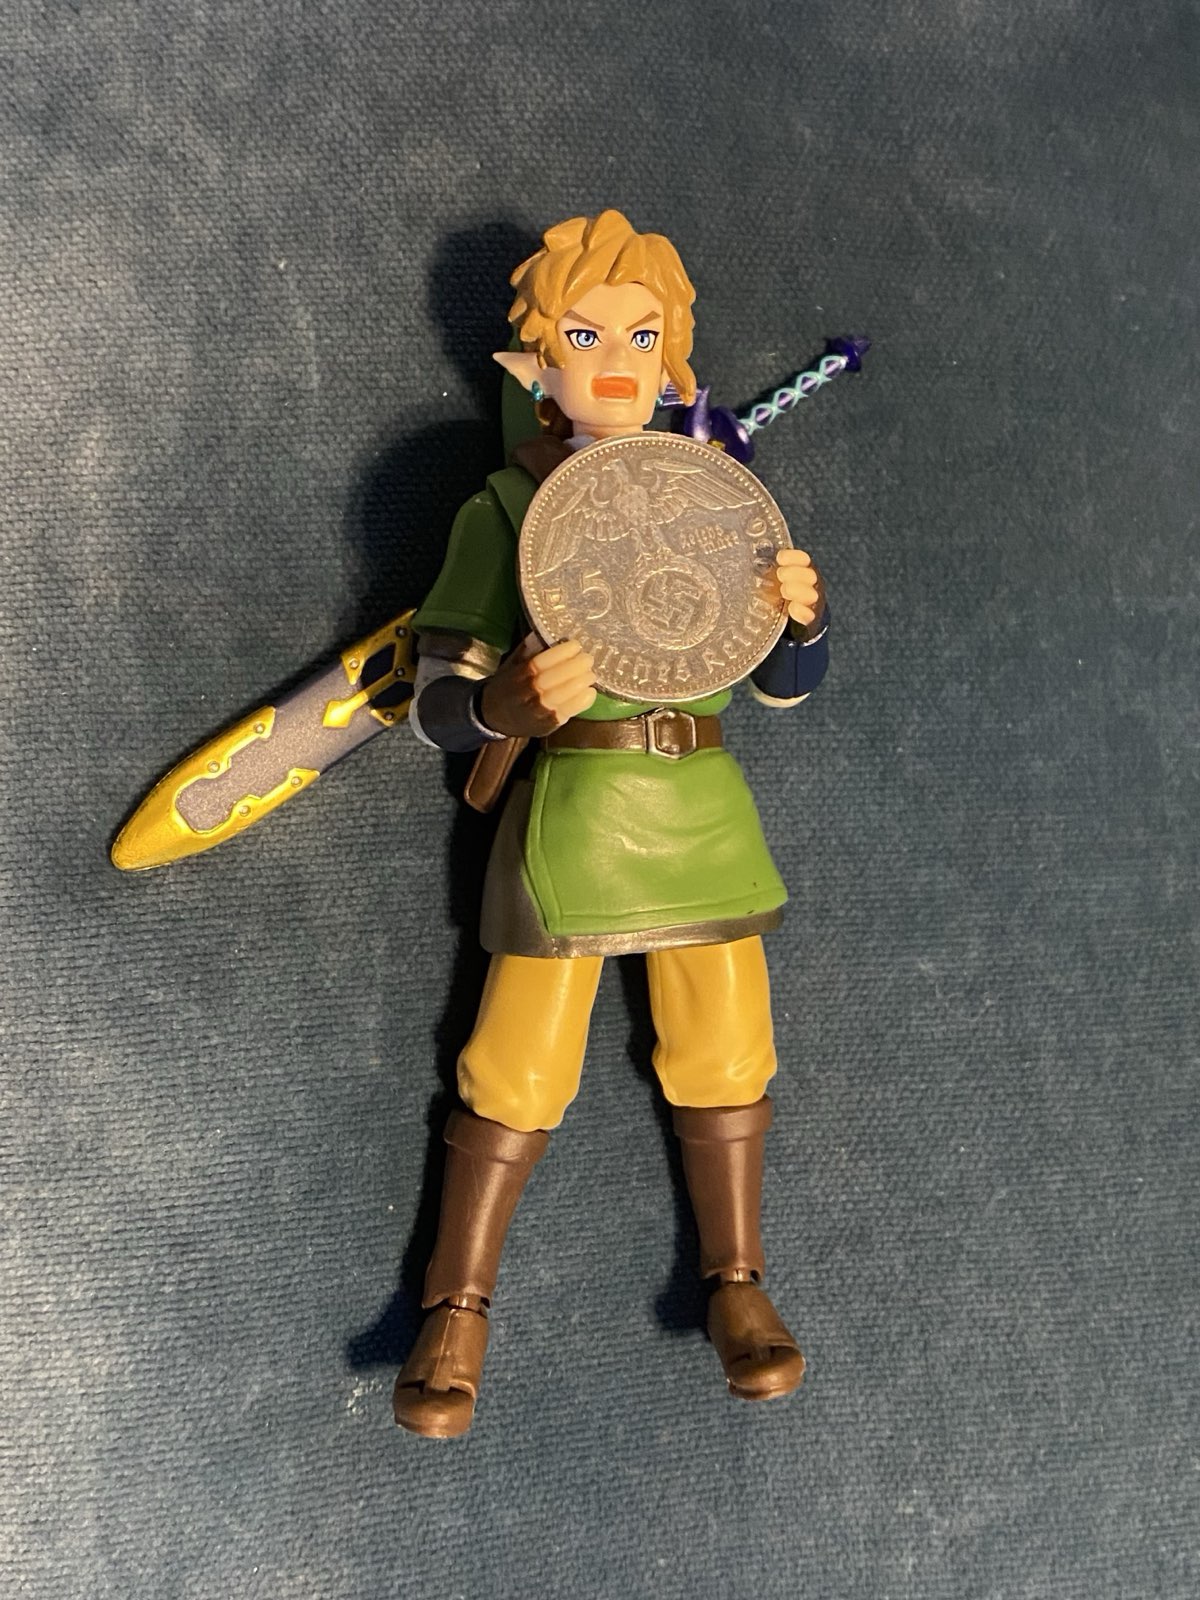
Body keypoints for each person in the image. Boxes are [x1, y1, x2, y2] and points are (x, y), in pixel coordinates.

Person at [394, 209, 830, 1438]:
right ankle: (456, 1306)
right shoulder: (507, 508)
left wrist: (802, 620)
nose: (620, 360)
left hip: (702, 805)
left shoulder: (715, 500)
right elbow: (435, 704)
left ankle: (737, 1278)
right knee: (517, 1058)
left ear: (676, 359)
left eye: (644, 335)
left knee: (729, 1044)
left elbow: (780, 687)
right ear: (537, 366)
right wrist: (504, 702)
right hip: (574, 807)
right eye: (585, 337)